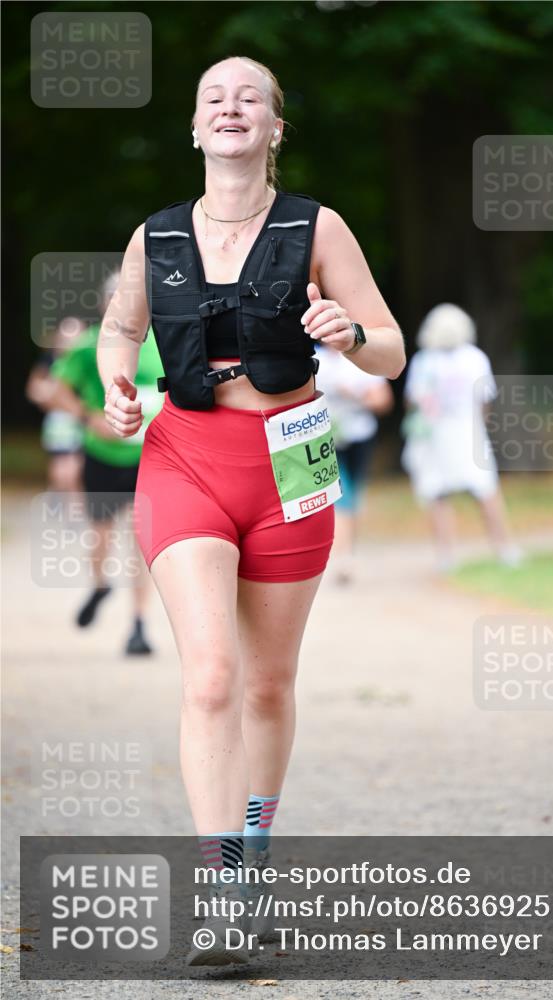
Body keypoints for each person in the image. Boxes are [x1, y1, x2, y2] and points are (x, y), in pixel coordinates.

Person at [98, 55, 405, 965]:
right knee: (211, 678)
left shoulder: (318, 226)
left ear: (274, 128)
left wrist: (351, 336)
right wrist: (120, 378)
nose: (230, 109)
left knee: (268, 684)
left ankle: (254, 852)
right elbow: (122, 325)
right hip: (185, 457)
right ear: (195, 128)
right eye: (213, 99)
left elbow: (389, 350)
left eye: (251, 99)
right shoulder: (154, 238)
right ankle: (221, 888)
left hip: (291, 463)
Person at [45, 274, 164, 654]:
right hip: (102, 453)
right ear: (105, 305)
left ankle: (139, 625)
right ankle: (100, 584)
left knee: (142, 541)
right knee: (101, 537)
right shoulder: (86, 346)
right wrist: (89, 419)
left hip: (148, 455)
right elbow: (56, 391)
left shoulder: (161, 343)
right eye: (117, 299)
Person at [401, 303, 521, 572]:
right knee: (486, 491)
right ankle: (505, 548)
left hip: (434, 437)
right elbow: (484, 401)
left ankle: (446, 555)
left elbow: (412, 402)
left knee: (437, 495)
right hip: (469, 433)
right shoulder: (475, 357)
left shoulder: (424, 360)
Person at [314, 342, 394, 584]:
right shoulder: (315, 358)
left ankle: (346, 549)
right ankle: (344, 558)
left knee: (353, 493)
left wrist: (356, 395)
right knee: (342, 494)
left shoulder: (363, 358)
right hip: (326, 436)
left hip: (358, 435)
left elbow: (383, 401)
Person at [25, 316, 87, 494]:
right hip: (61, 421)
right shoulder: (50, 361)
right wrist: (51, 398)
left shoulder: (84, 361)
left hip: (81, 419)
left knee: (76, 464)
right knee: (63, 462)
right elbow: (34, 390)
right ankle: (66, 500)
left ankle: (70, 502)